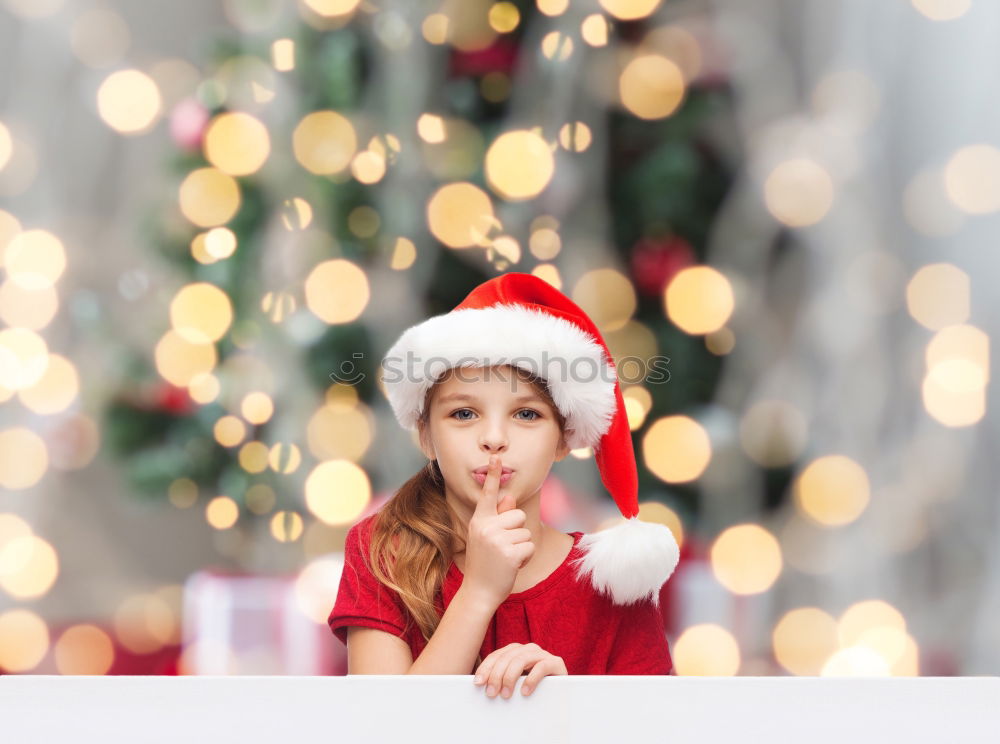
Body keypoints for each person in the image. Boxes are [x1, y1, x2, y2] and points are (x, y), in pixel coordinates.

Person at [328, 272, 681, 697]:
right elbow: (380, 730)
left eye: (526, 414)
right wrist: (478, 591)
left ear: (564, 439)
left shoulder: (612, 583)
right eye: (463, 414)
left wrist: (567, 703)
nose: (494, 438)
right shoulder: (382, 553)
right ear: (425, 434)